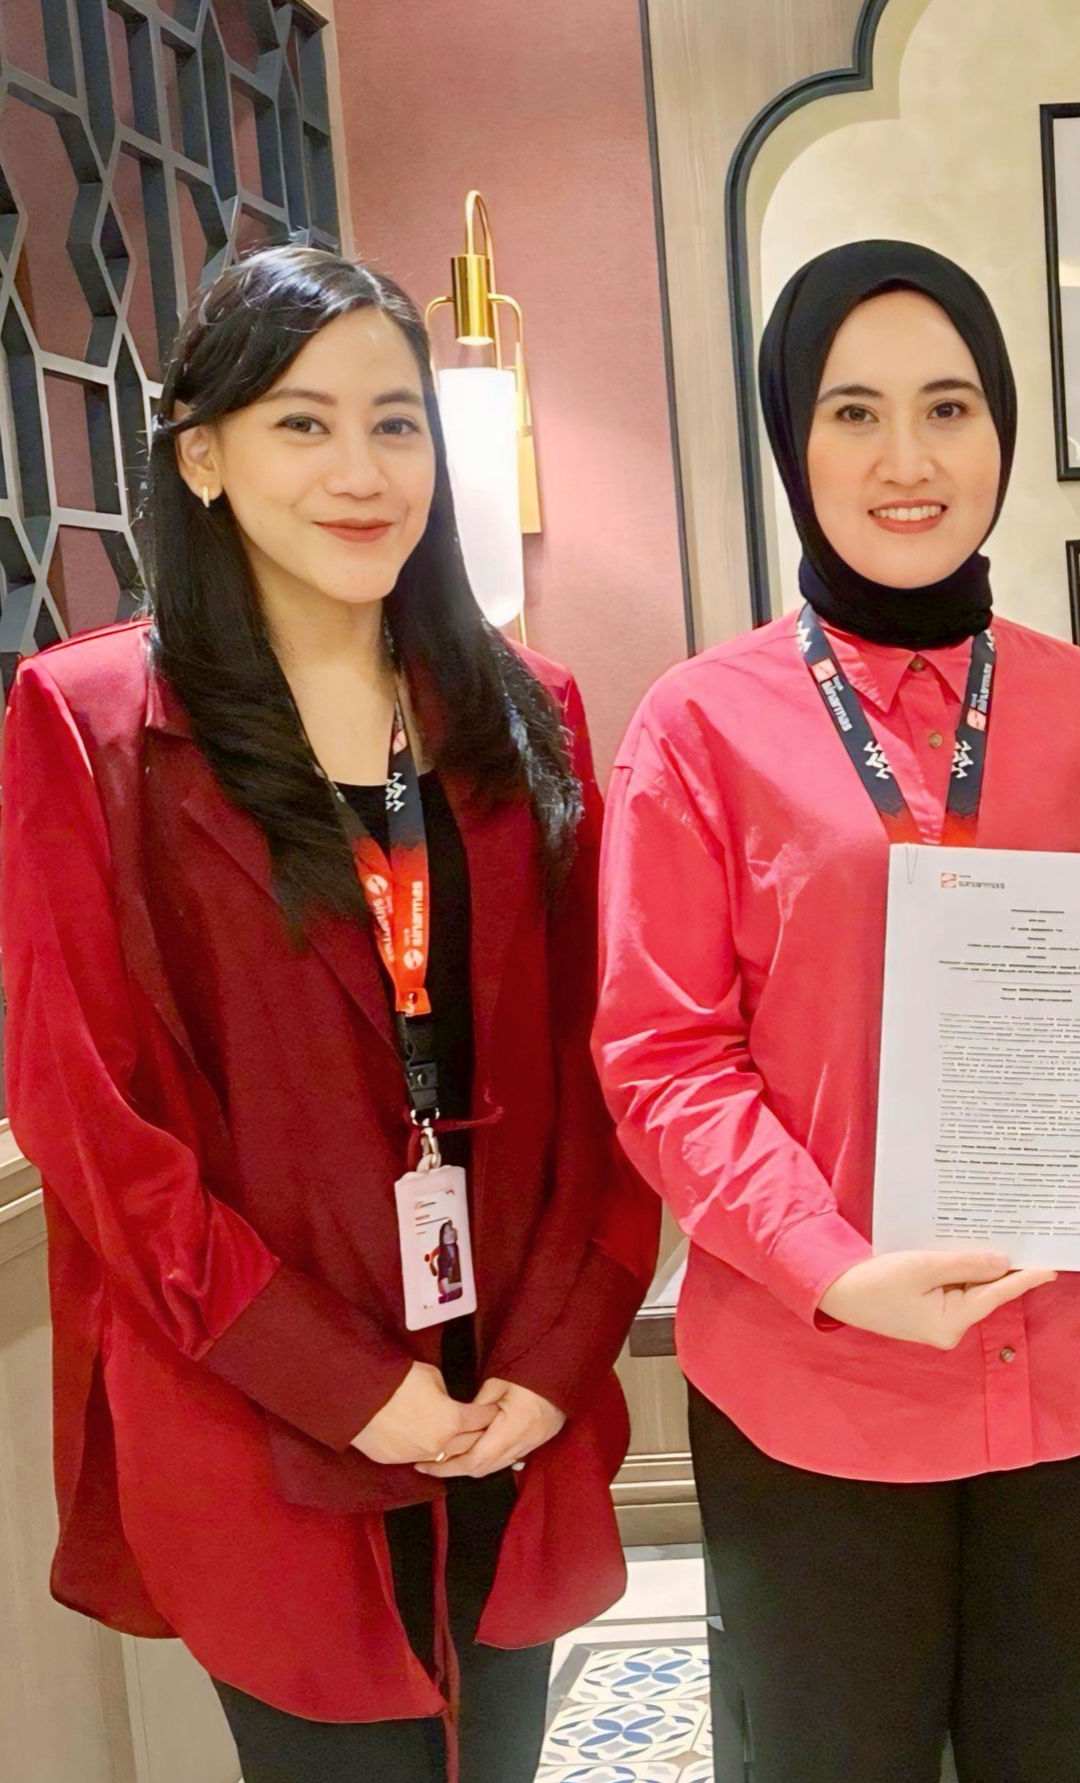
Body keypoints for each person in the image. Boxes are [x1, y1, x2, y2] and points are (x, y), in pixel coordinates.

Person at [0, 245, 656, 1783]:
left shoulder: (525, 708)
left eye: (394, 423)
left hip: (510, 1383)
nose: (360, 472)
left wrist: (556, 1357)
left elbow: (605, 1060)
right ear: (203, 457)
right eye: (302, 424)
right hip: (268, 1407)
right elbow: (89, 1115)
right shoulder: (92, 725)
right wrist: (347, 1389)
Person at [592, 241, 1080, 1783]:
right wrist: (834, 1269)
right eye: (854, 412)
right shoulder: (698, 726)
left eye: (949, 408)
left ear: (1001, 431)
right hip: (822, 1381)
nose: (908, 459)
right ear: (792, 441)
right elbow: (664, 1061)